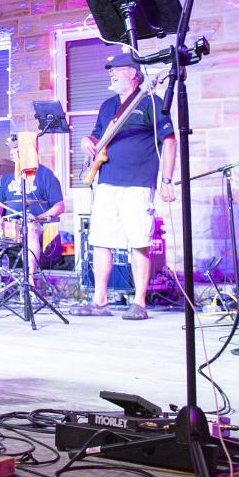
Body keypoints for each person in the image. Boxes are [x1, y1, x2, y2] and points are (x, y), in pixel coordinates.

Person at [80, 52, 177, 320]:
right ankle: (100, 301)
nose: (111, 73)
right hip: (107, 182)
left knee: (139, 241)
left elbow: (169, 140)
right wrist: (87, 142)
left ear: (133, 74)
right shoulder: (107, 105)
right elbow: (97, 135)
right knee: (100, 240)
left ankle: (139, 302)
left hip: (138, 183)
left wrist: (167, 180)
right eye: (109, 70)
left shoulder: (151, 103)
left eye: (116, 70)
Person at [0, 134, 66, 276]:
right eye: (13, 150)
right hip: (10, 227)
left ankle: (30, 279)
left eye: (16, 149)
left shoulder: (46, 175)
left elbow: (59, 206)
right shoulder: (8, 175)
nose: (13, 153)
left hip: (36, 225)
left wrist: (37, 218)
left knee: (31, 229)